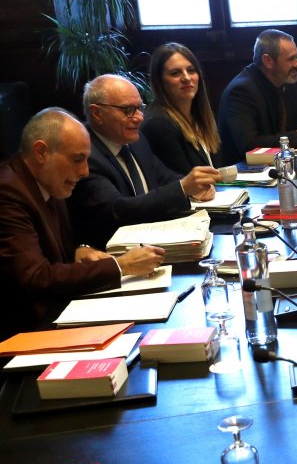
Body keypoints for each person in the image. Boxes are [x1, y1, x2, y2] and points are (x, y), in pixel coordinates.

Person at [0, 108, 164, 338]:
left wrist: (80, 250)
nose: (85, 171)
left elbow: (53, 249)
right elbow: (35, 277)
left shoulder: (47, 180)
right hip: (23, 336)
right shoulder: (7, 192)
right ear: (41, 152)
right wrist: (121, 266)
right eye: (77, 159)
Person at [68, 74, 221, 248]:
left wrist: (195, 188)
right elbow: (117, 210)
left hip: (156, 242)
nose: (139, 117)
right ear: (97, 113)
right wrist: (182, 188)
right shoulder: (85, 156)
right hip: (117, 257)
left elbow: (164, 176)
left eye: (139, 107)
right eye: (128, 110)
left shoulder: (136, 141)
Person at [217, 29, 297, 166]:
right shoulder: (241, 91)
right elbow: (249, 145)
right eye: (291, 59)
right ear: (268, 61)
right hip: (247, 174)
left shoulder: (289, 82)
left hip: (288, 165)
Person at [142, 42, 222, 175]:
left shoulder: (200, 117)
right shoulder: (158, 124)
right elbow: (183, 183)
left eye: (191, 70)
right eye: (175, 73)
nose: (186, 78)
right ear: (160, 81)